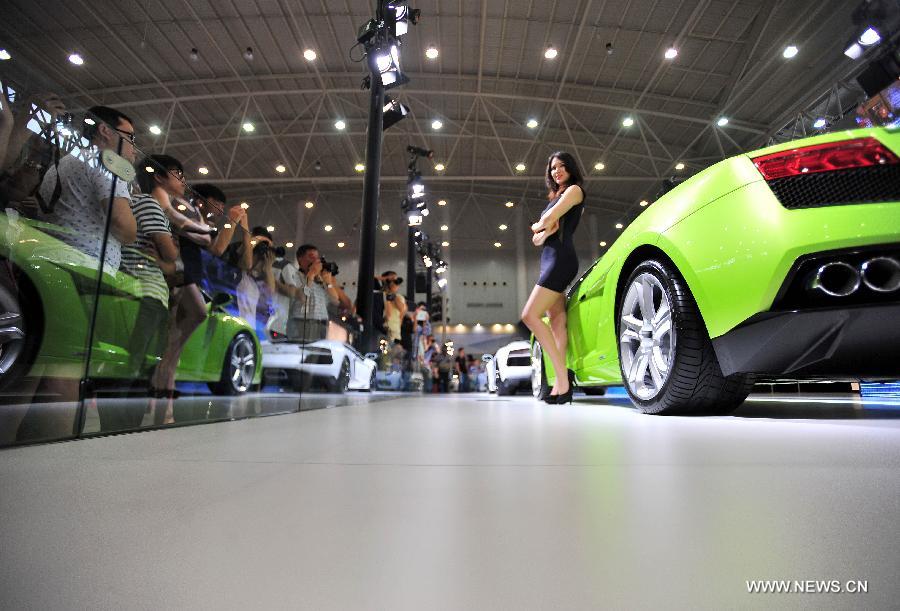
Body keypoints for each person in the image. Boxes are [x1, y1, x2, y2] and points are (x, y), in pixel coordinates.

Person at [521, 151, 585, 405]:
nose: (556, 171)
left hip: (560, 260)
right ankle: (560, 386)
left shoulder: (574, 191)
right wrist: (544, 228)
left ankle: (562, 379)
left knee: (529, 315)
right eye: (552, 168)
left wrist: (543, 224)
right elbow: (536, 240)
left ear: (570, 168)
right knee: (557, 321)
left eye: (561, 166)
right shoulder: (556, 196)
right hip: (550, 258)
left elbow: (545, 223)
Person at [281, 244, 339, 342]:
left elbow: (335, 301)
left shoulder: (321, 280)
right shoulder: (294, 275)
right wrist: (311, 274)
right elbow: (302, 297)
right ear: (300, 260)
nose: (315, 261)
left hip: (322, 323)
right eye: (311, 257)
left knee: (317, 355)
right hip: (301, 323)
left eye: (317, 258)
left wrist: (328, 282)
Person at [382, 272, 407, 343]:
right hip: (381, 330)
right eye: (392, 280)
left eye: (396, 281)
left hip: (394, 333)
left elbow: (401, 308)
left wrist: (391, 294)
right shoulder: (377, 295)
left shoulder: (399, 297)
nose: (396, 283)